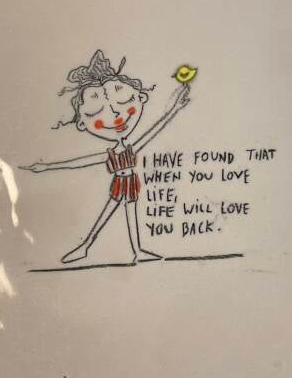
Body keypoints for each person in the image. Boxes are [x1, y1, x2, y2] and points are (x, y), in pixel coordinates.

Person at [20, 50, 190, 263]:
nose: (116, 116)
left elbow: (154, 130)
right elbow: (79, 163)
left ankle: (136, 251)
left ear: (140, 97)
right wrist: (47, 167)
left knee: (130, 214)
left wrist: (174, 109)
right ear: (82, 123)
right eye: (97, 112)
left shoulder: (130, 147)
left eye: (124, 102)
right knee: (106, 214)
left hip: (131, 183)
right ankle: (85, 246)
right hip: (120, 183)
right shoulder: (111, 153)